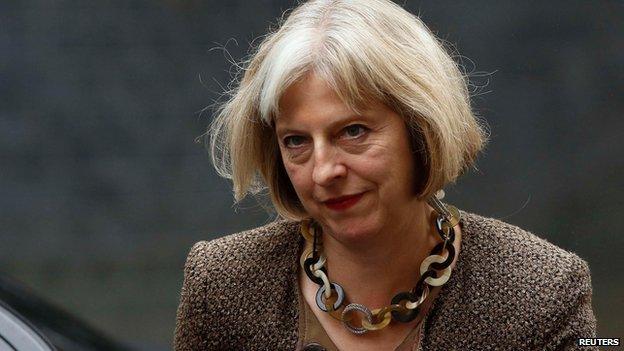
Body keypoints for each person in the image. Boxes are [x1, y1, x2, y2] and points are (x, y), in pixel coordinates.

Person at [174, 0, 597, 350]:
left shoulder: (542, 293)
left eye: (353, 131)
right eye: (296, 141)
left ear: (421, 129)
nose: (324, 171)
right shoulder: (222, 285)